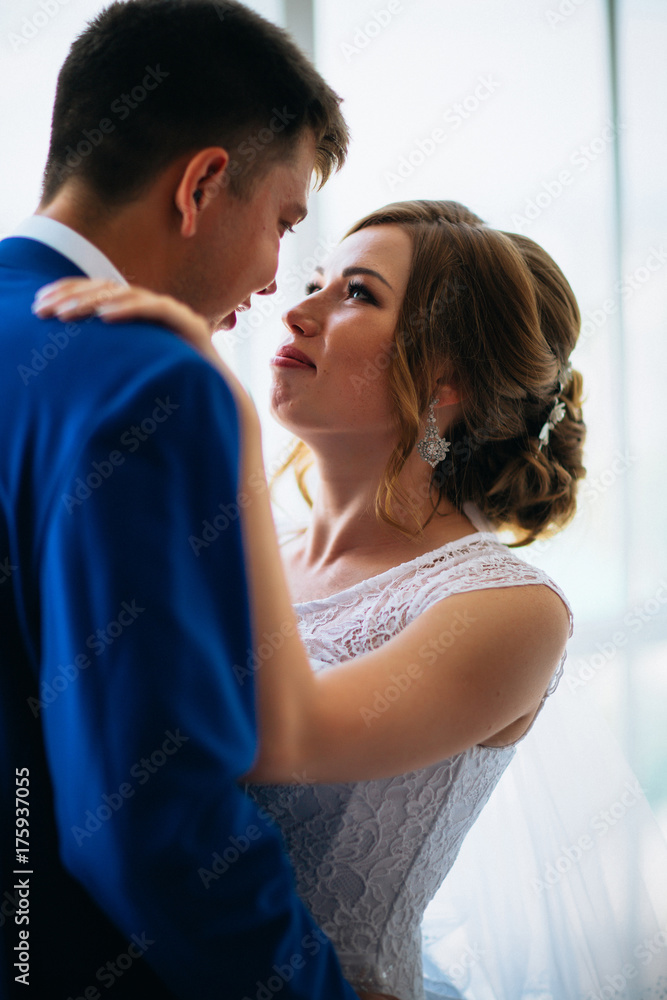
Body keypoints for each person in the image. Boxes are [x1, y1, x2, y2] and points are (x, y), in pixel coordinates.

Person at [39, 199, 667, 999]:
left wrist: (220, 414)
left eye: (357, 295)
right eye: (313, 282)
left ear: (445, 387)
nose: (295, 313)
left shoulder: (508, 612)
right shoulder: (239, 545)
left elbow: (277, 740)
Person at [0, 1, 392, 997]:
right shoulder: (154, 384)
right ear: (204, 183)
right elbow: (149, 829)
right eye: (285, 222)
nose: (275, 280)